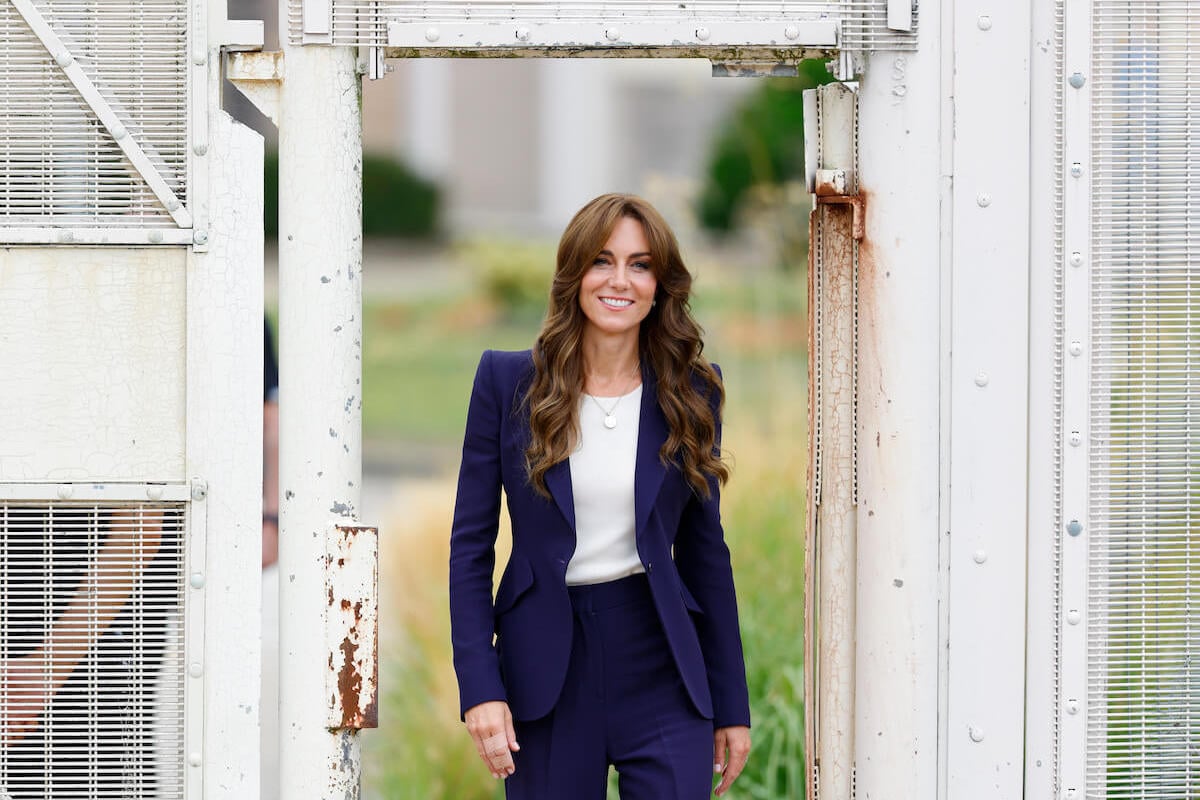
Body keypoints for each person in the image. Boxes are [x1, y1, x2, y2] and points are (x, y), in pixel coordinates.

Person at [449, 193, 752, 799]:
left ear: (661, 284)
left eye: (640, 265)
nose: (620, 281)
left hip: (662, 660)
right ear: (574, 274)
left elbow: (704, 553)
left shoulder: (692, 392)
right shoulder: (507, 383)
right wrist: (480, 687)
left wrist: (731, 705)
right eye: (602, 261)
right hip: (546, 670)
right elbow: (470, 549)